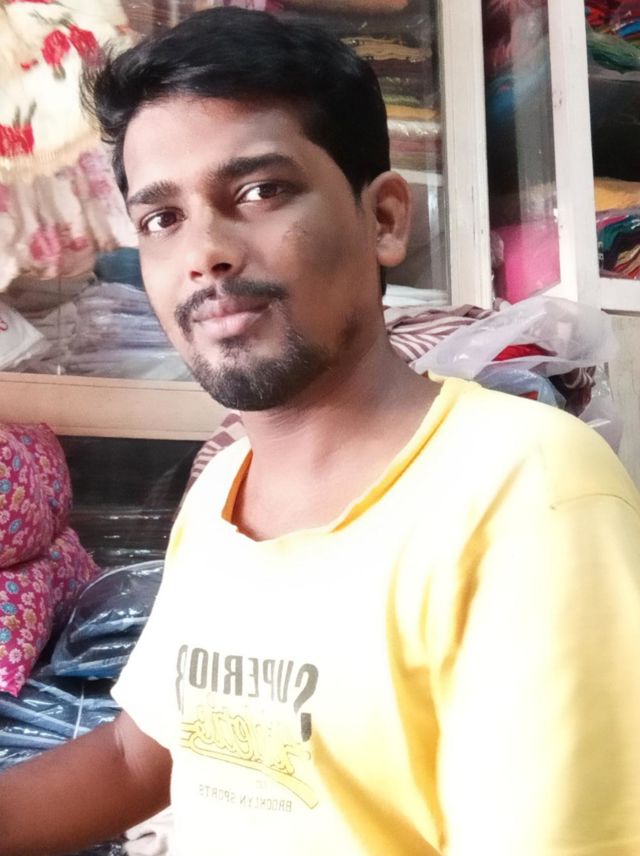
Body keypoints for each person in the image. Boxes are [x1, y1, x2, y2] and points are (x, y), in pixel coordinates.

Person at [2, 7, 640, 855]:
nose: (205, 253)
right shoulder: (221, 497)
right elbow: (138, 755)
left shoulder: (527, 493)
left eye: (259, 191)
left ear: (384, 219)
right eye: (162, 219)